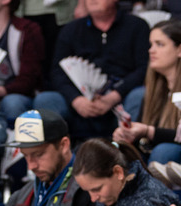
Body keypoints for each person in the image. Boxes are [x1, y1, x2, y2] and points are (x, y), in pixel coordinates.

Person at [111, 21, 181, 186]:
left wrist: (148, 131)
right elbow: (145, 144)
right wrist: (127, 136)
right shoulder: (154, 88)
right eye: (151, 45)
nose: (151, 50)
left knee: (164, 151)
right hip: (162, 156)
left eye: (160, 44)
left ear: (180, 49)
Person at [33, 0, 149, 142]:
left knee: (140, 94)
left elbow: (143, 68)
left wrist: (114, 96)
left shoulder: (137, 26)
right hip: (79, 103)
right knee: (46, 99)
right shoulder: (71, 30)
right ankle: (57, 158)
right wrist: (76, 100)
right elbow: (57, 72)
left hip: (121, 99)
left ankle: (129, 152)